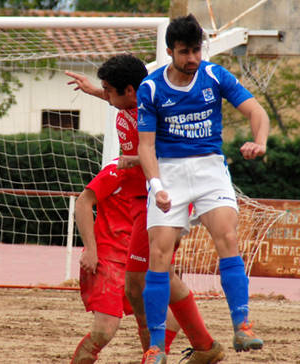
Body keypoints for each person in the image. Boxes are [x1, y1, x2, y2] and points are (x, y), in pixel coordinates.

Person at [67, 54, 224, 364]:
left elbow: (175, 153)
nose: (106, 96)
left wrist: (135, 160)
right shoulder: (131, 102)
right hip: (147, 203)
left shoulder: (159, 109)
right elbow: (123, 101)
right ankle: (187, 348)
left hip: (166, 198)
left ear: (128, 90)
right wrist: (94, 91)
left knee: (144, 282)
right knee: (145, 283)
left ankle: (176, 350)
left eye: (108, 90)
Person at [137, 15, 270, 362]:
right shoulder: (150, 88)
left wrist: (260, 141)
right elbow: (146, 147)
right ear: (170, 51)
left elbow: (257, 111)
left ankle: (243, 326)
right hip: (169, 173)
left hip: (211, 168)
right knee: (160, 255)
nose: (192, 58)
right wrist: (156, 186)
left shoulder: (214, 75)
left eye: (196, 50)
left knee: (227, 236)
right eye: (185, 52)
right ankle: (154, 346)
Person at [70, 158, 134, 363]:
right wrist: (90, 248)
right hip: (110, 259)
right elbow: (82, 202)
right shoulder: (118, 169)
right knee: (105, 330)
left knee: (169, 319)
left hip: (141, 261)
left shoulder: (167, 173)